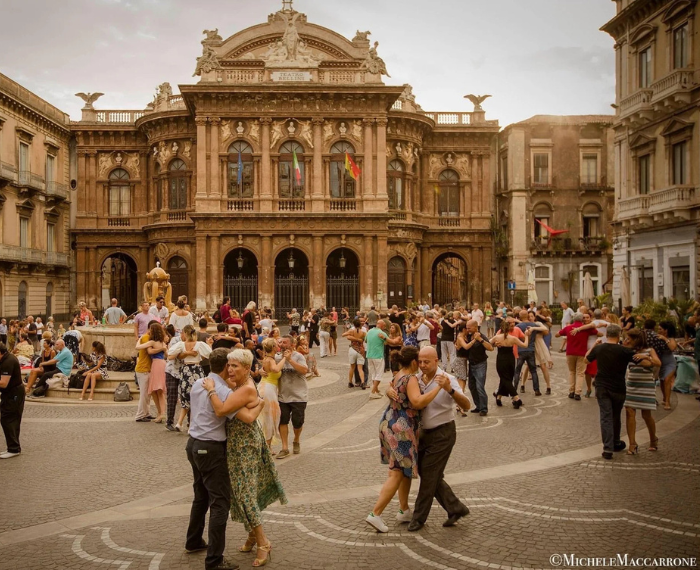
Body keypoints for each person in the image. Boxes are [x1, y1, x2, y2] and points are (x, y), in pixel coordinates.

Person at [204, 349, 287, 567]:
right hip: (238, 444)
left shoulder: (244, 389)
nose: (229, 370)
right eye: (229, 365)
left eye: (235, 366)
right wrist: (257, 403)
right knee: (241, 492)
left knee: (246, 494)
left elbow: (222, 411)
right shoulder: (240, 386)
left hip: (245, 446)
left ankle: (263, 542)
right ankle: (252, 534)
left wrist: (212, 391)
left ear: (247, 369)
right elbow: (250, 406)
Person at [185, 347, 251, 570]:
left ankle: (193, 540)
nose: (232, 370)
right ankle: (214, 560)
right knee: (220, 503)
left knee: (200, 495)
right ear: (226, 367)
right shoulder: (222, 392)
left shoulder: (199, 382)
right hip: (211, 448)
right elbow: (245, 416)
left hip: (193, 444)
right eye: (231, 366)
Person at [365, 346, 444, 533]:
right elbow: (417, 402)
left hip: (389, 423)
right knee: (397, 472)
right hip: (402, 428)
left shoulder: (399, 373)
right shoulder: (410, 378)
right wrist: (439, 388)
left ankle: (404, 510)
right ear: (414, 362)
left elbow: (393, 390)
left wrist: (387, 390)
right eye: (420, 361)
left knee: (404, 469)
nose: (422, 365)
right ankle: (375, 514)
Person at [392, 347, 471, 531]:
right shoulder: (417, 378)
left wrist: (449, 390)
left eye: (426, 362)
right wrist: (390, 391)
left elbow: (466, 405)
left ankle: (419, 518)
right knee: (430, 475)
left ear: (437, 360)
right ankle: (455, 508)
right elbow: (396, 384)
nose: (422, 365)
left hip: (443, 433)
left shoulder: (447, 379)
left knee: (428, 476)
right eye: (420, 361)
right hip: (422, 433)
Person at [586, 324, 650, 459]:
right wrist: (647, 357)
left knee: (606, 416)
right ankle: (615, 442)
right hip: (618, 387)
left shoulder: (599, 348)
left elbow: (586, 359)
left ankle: (608, 448)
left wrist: (594, 346)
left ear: (606, 334)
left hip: (602, 386)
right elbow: (645, 363)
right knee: (615, 415)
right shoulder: (624, 351)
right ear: (619, 335)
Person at [169, 324, 213, 432]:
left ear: (185, 333)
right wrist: (209, 345)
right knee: (197, 396)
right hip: (197, 370)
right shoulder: (199, 344)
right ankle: (191, 425)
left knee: (186, 395)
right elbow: (210, 354)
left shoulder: (181, 344)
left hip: (186, 370)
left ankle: (179, 423)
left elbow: (170, 353)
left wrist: (184, 353)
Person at [624, 329, 661, 454]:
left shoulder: (650, 350)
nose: (626, 340)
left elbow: (658, 363)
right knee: (629, 413)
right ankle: (632, 444)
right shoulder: (629, 351)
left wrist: (646, 356)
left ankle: (653, 439)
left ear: (636, 339)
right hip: (631, 384)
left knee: (646, 415)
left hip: (645, 385)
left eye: (629, 338)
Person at [275, 335, 308, 459]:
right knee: (282, 421)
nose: (282, 344)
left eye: (285, 342)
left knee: (297, 422)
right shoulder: (277, 357)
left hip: (299, 396)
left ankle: (296, 440)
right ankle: (284, 447)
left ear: (292, 345)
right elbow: (270, 368)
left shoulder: (298, 356)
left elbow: (304, 370)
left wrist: (290, 360)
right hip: (283, 395)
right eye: (281, 342)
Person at [556, 313, 601, 400]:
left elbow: (557, 335)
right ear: (582, 320)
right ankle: (578, 393)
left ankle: (571, 391)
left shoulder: (568, 328)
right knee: (580, 373)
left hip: (570, 352)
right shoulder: (587, 329)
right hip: (582, 353)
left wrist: (566, 332)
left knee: (572, 372)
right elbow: (600, 334)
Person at [490, 319, 529, 408]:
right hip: (511, 359)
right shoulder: (513, 338)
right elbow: (525, 345)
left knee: (505, 378)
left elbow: (488, 344)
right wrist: (526, 336)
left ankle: (516, 398)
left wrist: (495, 345)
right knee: (506, 378)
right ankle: (499, 397)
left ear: (501, 328)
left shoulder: (497, 337)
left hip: (501, 359)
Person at [136, 323, 168, 423]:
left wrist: (139, 340)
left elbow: (139, 348)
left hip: (156, 365)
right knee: (157, 390)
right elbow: (167, 354)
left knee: (157, 390)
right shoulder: (162, 343)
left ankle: (161, 413)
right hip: (163, 363)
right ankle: (160, 413)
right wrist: (163, 349)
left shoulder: (152, 342)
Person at [463, 320, 494, 416]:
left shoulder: (481, 336)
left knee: (480, 387)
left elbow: (490, 348)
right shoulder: (468, 336)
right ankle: (478, 406)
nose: (467, 329)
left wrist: (480, 339)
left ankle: (484, 408)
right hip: (471, 364)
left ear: (475, 327)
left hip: (480, 364)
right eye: (466, 328)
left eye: (469, 328)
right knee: (472, 386)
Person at [259, 337, 284, 451]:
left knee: (266, 416)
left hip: (264, 386)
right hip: (268, 388)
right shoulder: (271, 360)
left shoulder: (266, 358)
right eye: (276, 344)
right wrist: (285, 359)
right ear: (273, 347)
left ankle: (266, 445)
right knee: (270, 416)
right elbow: (275, 369)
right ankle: (267, 447)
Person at [0, 342, 24, 459]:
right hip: (10, 393)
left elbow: (3, 383)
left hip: (13, 393)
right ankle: (13, 447)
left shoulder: (8, 362)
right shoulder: (5, 359)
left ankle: (14, 448)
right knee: (9, 419)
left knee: (8, 419)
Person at [512, 310, 545, 396]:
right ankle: (537, 390)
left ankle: (514, 389)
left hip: (521, 350)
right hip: (530, 349)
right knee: (533, 370)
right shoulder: (533, 325)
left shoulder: (518, 326)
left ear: (519, 316)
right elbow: (544, 329)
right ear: (527, 316)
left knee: (517, 371)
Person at [650, 321, 678, 411]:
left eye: (660, 329)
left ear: (666, 330)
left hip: (670, 363)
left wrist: (665, 339)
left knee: (667, 380)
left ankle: (668, 402)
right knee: (662, 382)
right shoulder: (657, 337)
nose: (659, 330)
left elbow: (673, 347)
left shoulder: (670, 338)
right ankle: (665, 398)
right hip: (661, 363)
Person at [164, 324, 182, 432]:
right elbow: (172, 354)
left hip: (183, 371)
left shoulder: (192, 342)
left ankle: (189, 422)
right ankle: (169, 421)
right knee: (172, 396)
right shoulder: (175, 340)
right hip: (172, 370)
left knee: (186, 397)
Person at [366, 320, 388, 399]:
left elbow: (365, 340)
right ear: (381, 325)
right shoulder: (382, 333)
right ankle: (373, 392)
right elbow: (387, 342)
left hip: (369, 355)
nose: (385, 327)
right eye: (384, 325)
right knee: (379, 374)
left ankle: (376, 390)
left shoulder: (369, 331)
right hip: (378, 355)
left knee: (373, 374)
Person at [342, 319, 366, 389]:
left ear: (354, 325)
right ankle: (363, 382)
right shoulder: (363, 332)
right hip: (361, 350)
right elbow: (366, 340)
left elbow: (343, 335)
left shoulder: (351, 331)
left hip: (352, 349)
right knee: (360, 368)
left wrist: (353, 337)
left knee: (352, 367)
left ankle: (350, 382)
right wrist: (359, 339)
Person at [452, 327, 469, 415]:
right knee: (461, 385)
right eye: (467, 328)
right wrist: (474, 341)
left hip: (463, 361)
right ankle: (460, 405)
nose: (468, 330)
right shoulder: (460, 337)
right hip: (460, 361)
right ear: (464, 329)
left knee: (463, 383)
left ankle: (459, 405)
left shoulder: (465, 337)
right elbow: (466, 347)